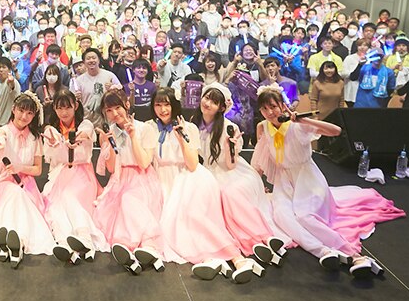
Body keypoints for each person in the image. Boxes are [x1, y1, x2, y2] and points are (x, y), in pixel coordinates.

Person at [251, 86, 405, 278]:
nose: (269, 112)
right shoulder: (263, 127)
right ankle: (323, 251)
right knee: (282, 215)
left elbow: (336, 131)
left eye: (273, 106)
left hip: (308, 178)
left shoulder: (297, 125)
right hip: (284, 182)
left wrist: (302, 120)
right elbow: (260, 157)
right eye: (264, 109)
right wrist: (257, 184)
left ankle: (354, 255)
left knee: (305, 216)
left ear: (283, 105)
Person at [148, 88, 262, 283]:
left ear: (174, 105)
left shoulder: (189, 127)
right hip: (161, 180)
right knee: (177, 227)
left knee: (197, 218)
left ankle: (238, 259)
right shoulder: (149, 127)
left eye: (167, 104)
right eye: (158, 105)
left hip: (186, 178)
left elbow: (192, 164)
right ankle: (210, 259)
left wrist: (181, 138)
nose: (163, 109)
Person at [192, 85, 288, 267]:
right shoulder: (194, 123)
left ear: (222, 107)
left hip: (231, 172)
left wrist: (229, 146)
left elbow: (230, 165)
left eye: (214, 102)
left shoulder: (229, 128)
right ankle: (256, 239)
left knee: (228, 195)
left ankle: (264, 236)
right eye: (206, 98)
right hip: (206, 172)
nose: (207, 103)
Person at [0, 92, 55, 268]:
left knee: (19, 197)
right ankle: (14, 240)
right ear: (13, 109)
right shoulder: (3, 131)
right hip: (3, 180)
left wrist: (20, 168)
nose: (24, 116)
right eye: (21, 110)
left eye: (29, 113)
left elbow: (38, 169)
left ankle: (15, 242)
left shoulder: (35, 138)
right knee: (14, 194)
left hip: (26, 183)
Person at [92, 89, 165, 275]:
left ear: (126, 105)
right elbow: (111, 168)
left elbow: (144, 163)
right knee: (112, 209)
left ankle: (142, 245)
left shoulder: (145, 129)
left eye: (117, 108)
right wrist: (108, 145)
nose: (114, 113)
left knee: (129, 200)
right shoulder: (109, 133)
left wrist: (133, 137)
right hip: (120, 178)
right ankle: (134, 253)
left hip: (142, 178)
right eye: (109, 110)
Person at [42, 89, 107, 265]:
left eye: (68, 107)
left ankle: (85, 238)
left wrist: (78, 138)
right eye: (60, 108)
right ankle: (64, 242)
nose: (64, 112)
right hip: (60, 174)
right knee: (54, 206)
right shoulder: (51, 130)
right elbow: (52, 158)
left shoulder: (85, 124)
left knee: (69, 197)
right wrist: (55, 143)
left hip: (82, 174)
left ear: (75, 106)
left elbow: (86, 133)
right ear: (54, 109)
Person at [72, 48, 121, 127]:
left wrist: (113, 89)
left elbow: (121, 94)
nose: (91, 60)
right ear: (84, 62)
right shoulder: (78, 81)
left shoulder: (110, 76)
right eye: (88, 58)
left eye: (94, 58)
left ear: (99, 60)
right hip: (87, 122)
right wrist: (75, 98)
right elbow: (72, 101)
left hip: (109, 122)